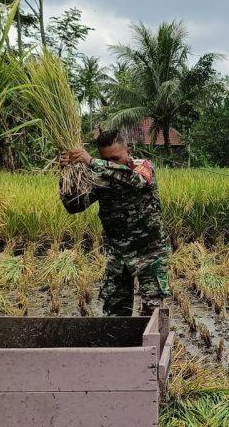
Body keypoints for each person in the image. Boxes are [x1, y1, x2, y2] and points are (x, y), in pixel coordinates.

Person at [60, 129, 170, 317]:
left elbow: (136, 181)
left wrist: (92, 162)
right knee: (116, 313)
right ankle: (122, 346)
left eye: (116, 158)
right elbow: (74, 206)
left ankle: (152, 346)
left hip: (149, 252)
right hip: (119, 254)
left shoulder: (142, 166)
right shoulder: (100, 178)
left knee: (153, 311)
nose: (111, 163)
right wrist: (65, 173)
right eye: (107, 159)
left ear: (128, 151)